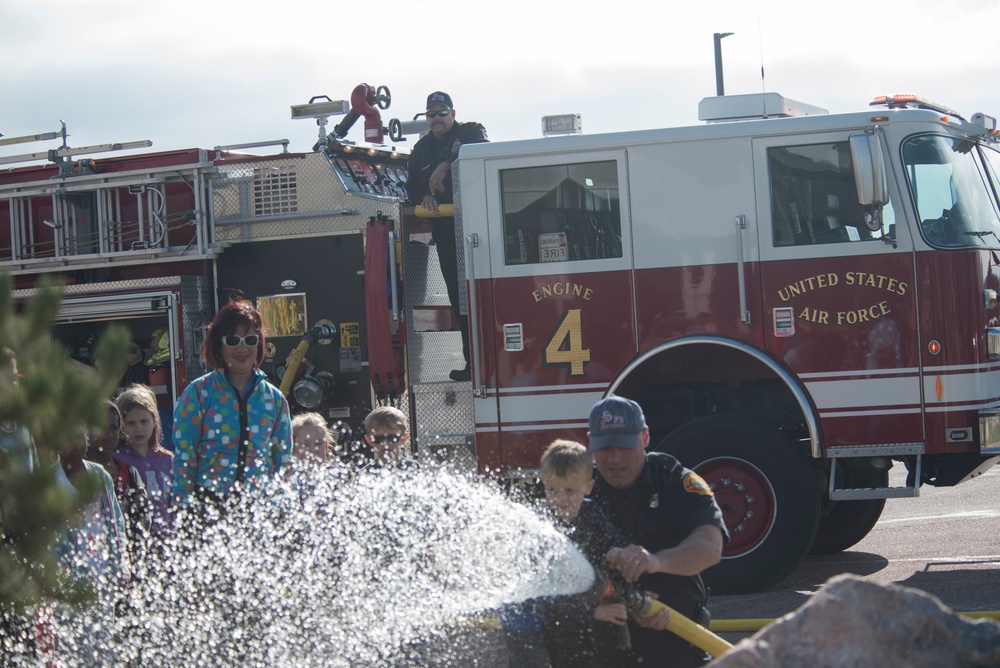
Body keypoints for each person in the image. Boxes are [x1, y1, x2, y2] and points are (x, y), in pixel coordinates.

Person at [587, 396, 728, 668]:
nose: (615, 459)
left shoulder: (673, 480)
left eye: (624, 446)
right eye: (605, 448)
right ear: (590, 441)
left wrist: (656, 561)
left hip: (675, 638)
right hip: (601, 642)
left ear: (645, 437)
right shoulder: (579, 491)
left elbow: (711, 546)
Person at [172, 300, 293, 506]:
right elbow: (185, 458)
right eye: (233, 340)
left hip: (259, 507)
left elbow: (283, 462)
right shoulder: (198, 394)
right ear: (218, 344)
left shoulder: (274, 399)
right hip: (210, 504)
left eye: (250, 339)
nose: (242, 348)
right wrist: (184, 507)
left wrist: (290, 507)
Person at [406, 91, 489, 382]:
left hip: (482, 229)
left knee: (486, 295)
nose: (437, 119)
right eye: (431, 114)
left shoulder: (470, 131)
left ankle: (493, 360)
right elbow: (411, 187)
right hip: (446, 233)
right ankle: (473, 365)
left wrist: (446, 163)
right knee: (460, 298)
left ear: (453, 113)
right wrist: (425, 196)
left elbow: (481, 151)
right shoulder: (420, 149)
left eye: (442, 113)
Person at [536, 439, 630, 668]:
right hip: (560, 635)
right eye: (552, 490)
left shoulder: (592, 514)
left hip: (601, 632)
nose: (560, 499)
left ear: (587, 487)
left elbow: (617, 544)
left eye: (570, 491)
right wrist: (593, 611)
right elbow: (544, 595)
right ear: (543, 483)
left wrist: (621, 556)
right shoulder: (540, 525)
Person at [87, 400, 152, 560]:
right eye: (101, 429)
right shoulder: (82, 471)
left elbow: (143, 517)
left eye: (113, 428)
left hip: (125, 552)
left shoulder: (129, 472)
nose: (108, 436)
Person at [115, 384, 174, 537]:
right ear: (121, 426)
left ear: (154, 421)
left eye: (144, 421)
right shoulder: (117, 460)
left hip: (166, 541)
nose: (138, 429)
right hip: (133, 540)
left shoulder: (168, 460)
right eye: (131, 423)